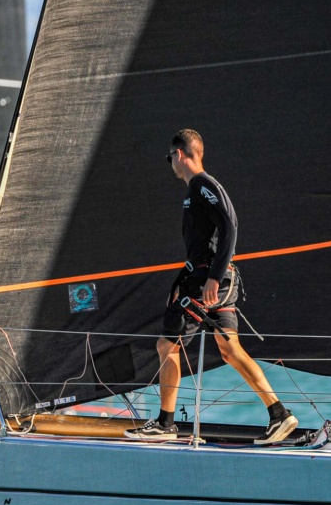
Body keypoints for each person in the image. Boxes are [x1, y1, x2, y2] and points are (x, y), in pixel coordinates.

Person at [125, 129, 297, 444]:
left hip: (208, 282)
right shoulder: (197, 189)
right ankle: (279, 414)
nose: (170, 163)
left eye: (169, 157)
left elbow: (230, 225)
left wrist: (213, 278)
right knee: (230, 350)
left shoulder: (203, 185)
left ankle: (165, 424)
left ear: (179, 154)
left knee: (167, 345)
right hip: (213, 279)